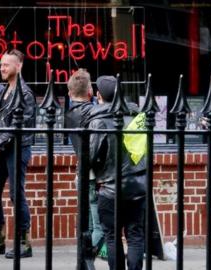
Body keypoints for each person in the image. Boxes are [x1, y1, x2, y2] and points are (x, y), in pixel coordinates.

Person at [0, 49, 36, 258]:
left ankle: (24, 243)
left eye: (6, 65)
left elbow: (20, 125)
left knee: (16, 194)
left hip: (18, 148)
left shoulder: (25, 94)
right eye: (1, 65)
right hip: (2, 149)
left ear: (18, 66)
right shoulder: (2, 91)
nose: (1, 68)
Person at [84, 75, 146, 270]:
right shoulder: (137, 115)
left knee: (112, 237)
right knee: (135, 235)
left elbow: (92, 156)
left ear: (99, 95)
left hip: (110, 188)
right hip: (137, 186)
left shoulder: (98, 120)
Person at [64, 68, 105, 256]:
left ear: (70, 92)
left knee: (85, 224)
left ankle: (83, 257)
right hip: (95, 175)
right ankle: (88, 257)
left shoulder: (69, 114)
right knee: (100, 225)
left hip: (80, 172)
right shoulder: (94, 112)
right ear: (90, 92)